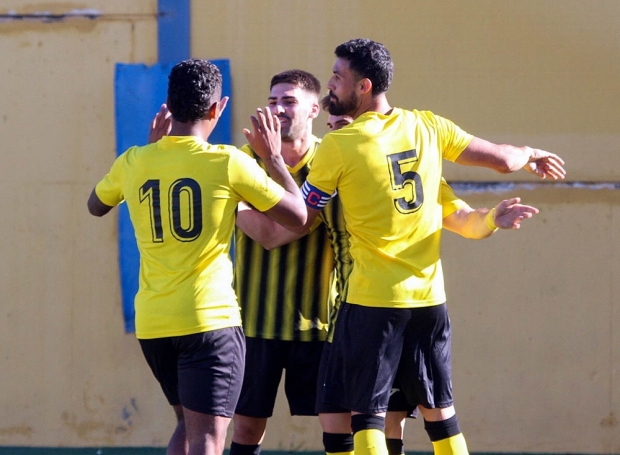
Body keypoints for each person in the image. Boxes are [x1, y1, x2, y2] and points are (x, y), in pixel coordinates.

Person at [298, 38, 566, 455]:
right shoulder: (426, 127)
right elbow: (499, 161)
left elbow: (303, 212)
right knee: (440, 413)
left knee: (365, 414)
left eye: (337, 76)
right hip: (428, 302)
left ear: (364, 86)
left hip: (372, 301)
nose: (330, 84)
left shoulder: (339, 144)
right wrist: (524, 161)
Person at [240, 100, 540, 455]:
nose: (336, 132)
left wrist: (489, 220)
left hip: (375, 308)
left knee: (390, 417)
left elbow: (461, 217)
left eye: (343, 126)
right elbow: (284, 229)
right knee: (340, 419)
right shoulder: (336, 179)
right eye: (332, 127)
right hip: (351, 317)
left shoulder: (358, 165)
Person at [87, 58, 307, 455]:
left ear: (169, 104)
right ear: (216, 109)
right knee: (207, 437)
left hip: (154, 322)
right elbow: (298, 215)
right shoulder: (227, 161)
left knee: (187, 427)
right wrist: (274, 159)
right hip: (209, 320)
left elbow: (95, 205)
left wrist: (151, 152)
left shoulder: (135, 160)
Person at [229, 70, 344, 455]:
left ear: (314, 108)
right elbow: (269, 235)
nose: (278, 108)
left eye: (289, 101)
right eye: (273, 100)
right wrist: (297, 217)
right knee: (245, 428)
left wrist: (276, 207)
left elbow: (275, 229)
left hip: (318, 323)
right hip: (254, 321)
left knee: (339, 425)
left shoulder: (334, 161)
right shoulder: (241, 162)